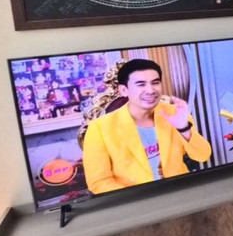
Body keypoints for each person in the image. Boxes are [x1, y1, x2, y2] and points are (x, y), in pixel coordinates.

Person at [82, 58, 212, 194]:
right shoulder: (99, 128)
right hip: (136, 200)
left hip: (180, 192)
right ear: (124, 90)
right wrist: (140, 199)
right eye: (141, 84)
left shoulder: (174, 113)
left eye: (155, 83)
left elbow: (203, 155)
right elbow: (98, 182)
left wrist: (183, 128)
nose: (150, 90)